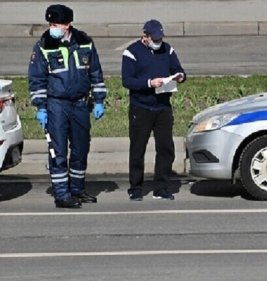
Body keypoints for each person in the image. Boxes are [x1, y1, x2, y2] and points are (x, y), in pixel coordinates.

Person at [28, 4, 107, 208]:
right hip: (56, 105)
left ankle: (77, 190)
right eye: (51, 23)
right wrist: (41, 107)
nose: (52, 27)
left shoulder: (85, 43)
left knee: (81, 149)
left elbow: (96, 73)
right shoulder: (44, 46)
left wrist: (98, 100)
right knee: (58, 151)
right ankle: (62, 194)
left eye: (56, 24)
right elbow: (37, 78)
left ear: (67, 25)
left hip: (80, 104)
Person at [121, 19, 186, 201]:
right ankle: (135, 187)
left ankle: (162, 187)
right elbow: (127, 80)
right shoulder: (131, 52)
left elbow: (178, 68)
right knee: (137, 149)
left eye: (160, 39)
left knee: (166, 148)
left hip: (163, 107)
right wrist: (149, 83)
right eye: (154, 39)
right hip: (141, 107)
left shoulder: (168, 49)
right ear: (145, 37)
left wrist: (181, 76)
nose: (158, 43)